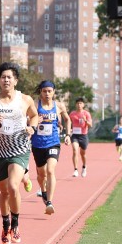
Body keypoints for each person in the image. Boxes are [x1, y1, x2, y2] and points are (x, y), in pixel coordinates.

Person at [0, 62, 39, 244]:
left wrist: (32, 127)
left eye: (9, 77)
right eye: (3, 77)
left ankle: (15, 224)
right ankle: (5, 224)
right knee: (4, 192)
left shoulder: (25, 99)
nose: (6, 80)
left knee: (13, 186)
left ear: (15, 81)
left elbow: (34, 115)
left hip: (19, 149)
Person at [31, 80, 71, 216]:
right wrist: (33, 121)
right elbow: (25, 120)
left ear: (53, 92)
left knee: (50, 170)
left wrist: (68, 134)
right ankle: (43, 190)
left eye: (49, 91)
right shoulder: (35, 105)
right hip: (37, 144)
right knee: (41, 174)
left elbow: (67, 119)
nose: (47, 94)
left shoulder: (59, 105)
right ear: (41, 92)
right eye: (44, 91)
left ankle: (49, 202)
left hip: (53, 143)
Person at [68, 97, 93, 177]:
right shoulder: (72, 114)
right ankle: (75, 170)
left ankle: (84, 167)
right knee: (75, 150)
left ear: (83, 105)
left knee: (83, 154)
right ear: (76, 104)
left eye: (80, 103)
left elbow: (90, 125)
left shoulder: (86, 113)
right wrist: (69, 130)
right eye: (78, 103)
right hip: (75, 135)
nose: (79, 105)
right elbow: (68, 122)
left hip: (83, 135)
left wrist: (85, 120)